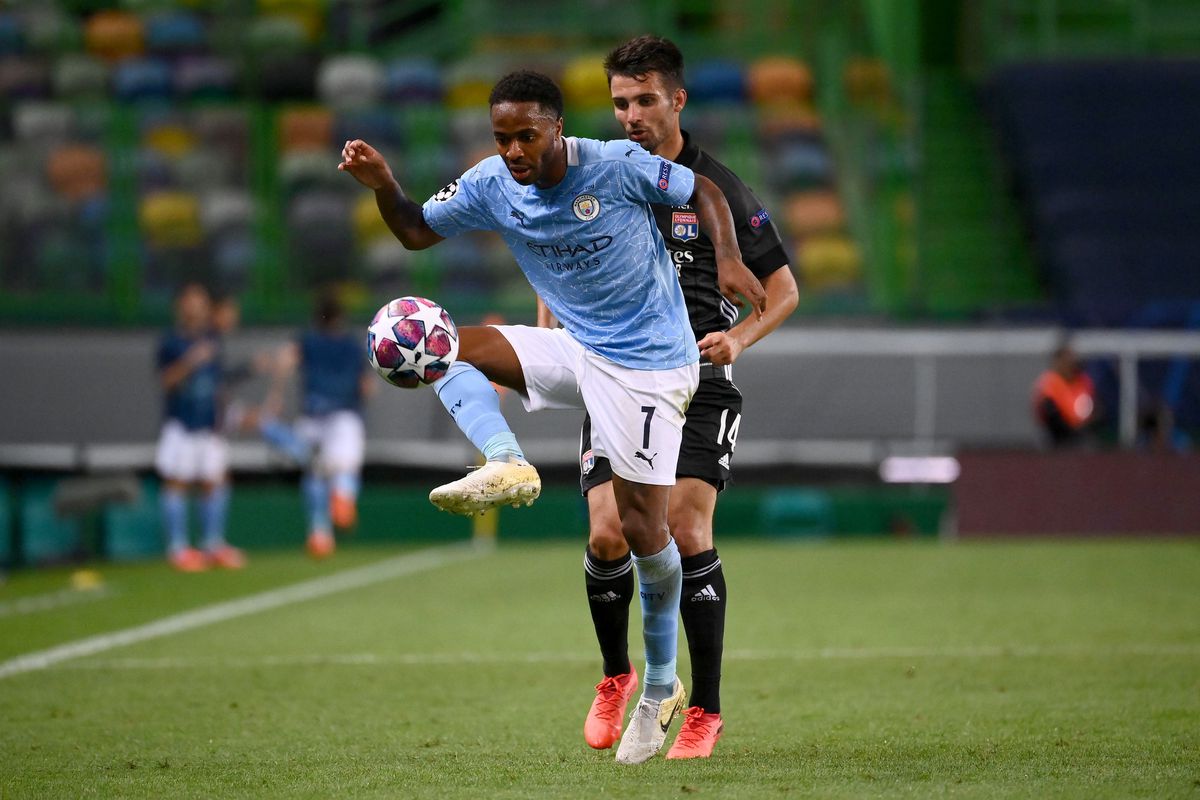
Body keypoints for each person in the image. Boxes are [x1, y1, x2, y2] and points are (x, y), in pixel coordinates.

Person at [339, 70, 766, 764]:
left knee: (643, 532)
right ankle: (506, 459)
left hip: (652, 367)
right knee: (441, 344)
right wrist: (385, 184)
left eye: (526, 136)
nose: (513, 151)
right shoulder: (490, 183)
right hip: (579, 348)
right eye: (501, 137)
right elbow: (414, 230)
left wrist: (725, 257)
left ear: (557, 128)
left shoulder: (615, 165)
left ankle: (662, 685)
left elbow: (705, 192)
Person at [544, 35, 799, 760]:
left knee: (686, 531)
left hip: (700, 384)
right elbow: (555, 258)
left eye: (645, 100)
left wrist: (740, 339)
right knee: (606, 535)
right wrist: (551, 328)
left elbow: (783, 290)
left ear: (677, 101)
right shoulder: (596, 177)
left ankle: (704, 710)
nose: (631, 116)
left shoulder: (718, 187)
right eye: (620, 103)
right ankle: (617, 676)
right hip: (617, 375)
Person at [259, 290, 374, 559]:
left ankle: (319, 534)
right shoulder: (352, 346)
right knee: (345, 467)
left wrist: (275, 396)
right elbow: (366, 386)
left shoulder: (308, 341)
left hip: (313, 415)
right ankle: (343, 496)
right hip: (344, 414)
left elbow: (285, 361)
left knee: (315, 473)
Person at [154, 282, 246, 572]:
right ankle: (178, 548)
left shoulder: (213, 340)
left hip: (209, 423)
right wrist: (191, 361)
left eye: (202, 302)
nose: (197, 307)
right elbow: (166, 381)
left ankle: (212, 544)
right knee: (177, 481)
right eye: (192, 302)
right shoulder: (171, 342)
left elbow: (219, 379)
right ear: (181, 307)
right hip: (182, 422)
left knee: (215, 480)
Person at [1032, 344, 1096, 448]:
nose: (1070, 363)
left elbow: (1093, 407)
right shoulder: (1049, 382)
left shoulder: (1083, 381)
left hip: (1081, 433)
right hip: (1055, 436)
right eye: (1066, 360)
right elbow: (1047, 411)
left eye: (1071, 359)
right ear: (1057, 362)